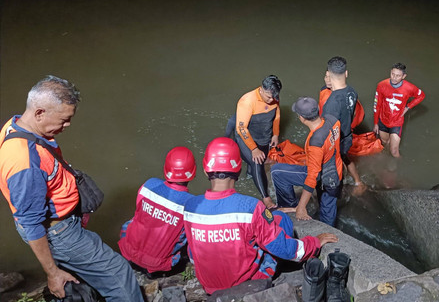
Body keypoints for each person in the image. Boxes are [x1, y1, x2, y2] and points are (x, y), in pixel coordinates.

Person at [0, 75, 143, 301]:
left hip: (62, 224)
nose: (67, 126)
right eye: (64, 120)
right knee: (119, 273)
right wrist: (52, 273)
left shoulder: (14, 125)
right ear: (39, 113)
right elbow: (31, 222)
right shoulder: (24, 163)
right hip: (60, 233)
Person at [183, 137, 338, 294]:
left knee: (271, 219)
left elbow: (192, 251)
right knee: (282, 220)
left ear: (205, 170)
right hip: (246, 283)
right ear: (238, 168)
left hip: (209, 284)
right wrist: (314, 243)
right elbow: (281, 246)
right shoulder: (250, 207)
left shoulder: (190, 207)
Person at [118, 146, 196, 275]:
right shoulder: (192, 205)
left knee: (136, 217)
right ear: (193, 172)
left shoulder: (150, 184)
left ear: (166, 168)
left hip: (128, 249)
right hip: (159, 263)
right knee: (187, 232)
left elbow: (139, 209)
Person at [271, 97, 343, 226]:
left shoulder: (316, 142)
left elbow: (312, 176)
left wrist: (301, 207)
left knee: (277, 172)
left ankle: (292, 208)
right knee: (328, 211)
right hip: (336, 172)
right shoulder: (332, 120)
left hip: (324, 180)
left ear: (301, 118)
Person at [227, 75, 281, 209]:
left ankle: (251, 174)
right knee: (257, 161)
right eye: (268, 96)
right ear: (261, 90)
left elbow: (276, 116)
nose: (271, 100)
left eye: (274, 97)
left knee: (259, 162)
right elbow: (241, 128)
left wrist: (275, 134)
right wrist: (253, 149)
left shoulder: (273, 97)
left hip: (263, 136)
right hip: (246, 137)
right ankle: (266, 198)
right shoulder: (247, 101)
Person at [321, 57, 363, 186]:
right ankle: (358, 182)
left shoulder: (332, 103)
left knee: (334, 165)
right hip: (347, 137)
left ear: (328, 74)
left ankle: (338, 185)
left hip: (337, 141)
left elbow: (327, 132)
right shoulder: (352, 91)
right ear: (346, 73)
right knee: (345, 157)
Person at [373, 63, 425, 157]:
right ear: (390, 72)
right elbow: (377, 105)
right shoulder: (382, 85)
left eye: (398, 76)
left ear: (404, 76)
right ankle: (385, 165)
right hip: (383, 120)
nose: (394, 78)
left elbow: (421, 96)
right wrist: (376, 123)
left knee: (394, 152)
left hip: (397, 122)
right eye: (393, 74)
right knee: (385, 144)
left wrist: (408, 107)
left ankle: (400, 169)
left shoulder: (409, 87)